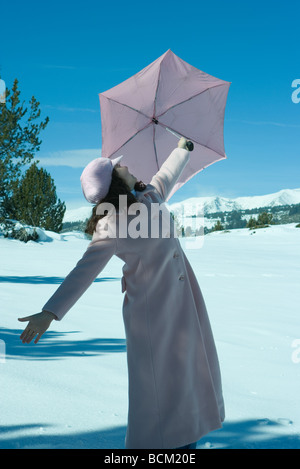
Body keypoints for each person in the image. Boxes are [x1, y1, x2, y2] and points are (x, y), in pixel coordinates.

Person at [19, 138, 225, 450]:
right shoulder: (111, 225)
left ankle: (187, 439)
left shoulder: (148, 196)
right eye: (119, 166)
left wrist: (183, 148)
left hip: (183, 300)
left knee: (188, 377)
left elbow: (166, 175)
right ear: (115, 180)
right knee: (159, 389)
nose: (126, 165)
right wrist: (51, 311)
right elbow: (83, 270)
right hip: (151, 313)